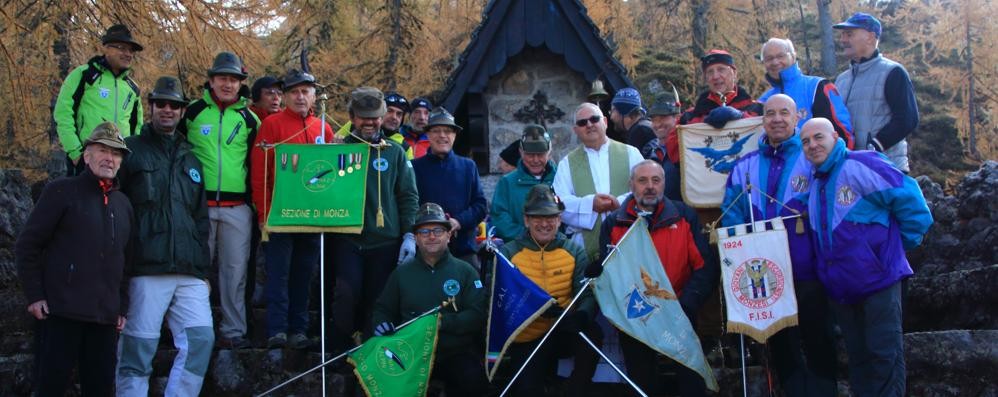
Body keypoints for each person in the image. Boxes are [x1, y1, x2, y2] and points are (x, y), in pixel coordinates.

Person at [800, 117, 932, 396]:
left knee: (885, 357)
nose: (812, 145)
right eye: (806, 141)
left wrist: (892, 250)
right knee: (858, 361)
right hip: (841, 289)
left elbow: (912, 202)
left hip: (879, 281)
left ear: (835, 137)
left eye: (818, 137)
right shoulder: (815, 182)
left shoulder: (861, 164)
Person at [721, 94, 838, 396]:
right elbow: (730, 215)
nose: (776, 119)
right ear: (762, 120)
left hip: (809, 270)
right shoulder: (743, 166)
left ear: (796, 117)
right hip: (766, 278)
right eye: (770, 113)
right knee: (782, 348)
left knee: (818, 340)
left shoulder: (813, 156)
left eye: (783, 113)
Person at [16, 122, 132, 396]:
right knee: (50, 388)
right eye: (102, 150)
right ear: (86, 155)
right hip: (60, 313)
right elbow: (27, 245)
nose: (109, 158)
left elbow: (128, 261)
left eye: (116, 153)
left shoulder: (124, 205)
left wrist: (121, 307)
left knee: (101, 390)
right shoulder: (61, 191)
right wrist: (34, 296)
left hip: (104, 319)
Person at [115, 76, 214, 396]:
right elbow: (114, 208)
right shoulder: (130, 150)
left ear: (183, 111)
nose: (167, 110)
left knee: (201, 341)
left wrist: (203, 270)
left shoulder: (192, 158)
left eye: (174, 105)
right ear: (151, 107)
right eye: (161, 104)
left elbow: (200, 219)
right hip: (146, 267)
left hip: (189, 270)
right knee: (137, 348)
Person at [589, 160, 718, 397]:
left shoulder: (683, 215)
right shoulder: (614, 222)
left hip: (679, 311)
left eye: (656, 180)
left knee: (692, 380)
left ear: (664, 184)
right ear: (631, 185)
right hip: (637, 315)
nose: (650, 186)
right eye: (642, 180)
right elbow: (612, 273)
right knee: (642, 383)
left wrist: (687, 304)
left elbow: (704, 267)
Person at [324, 86, 419, 352]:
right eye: (364, 117)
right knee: (346, 293)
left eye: (375, 116)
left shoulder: (395, 152)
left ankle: (370, 354)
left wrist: (409, 234)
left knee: (378, 302)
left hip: (385, 242)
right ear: (352, 117)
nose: (371, 122)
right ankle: (339, 350)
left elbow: (408, 196)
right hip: (347, 240)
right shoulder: (338, 150)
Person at [179, 51, 260, 349]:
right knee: (195, 270)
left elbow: (256, 163)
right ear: (211, 80)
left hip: (237, 207)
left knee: (235, 272)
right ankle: (191, 329)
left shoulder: (250, 119)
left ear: (240, 84)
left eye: (234, 80)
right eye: (222, 78)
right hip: (198, 206)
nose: (228, 84)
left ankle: (234, 331)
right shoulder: (192, 112)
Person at [250, 69, 333, 349]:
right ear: (285, 96)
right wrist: (264, 214)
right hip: (281, 215)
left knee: (303, 273)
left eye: (305, 91)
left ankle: (299, 329)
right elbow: (260, 173)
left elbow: (331, 175)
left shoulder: (323, 128)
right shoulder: (272, 125)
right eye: (294, 92)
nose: (300, 96)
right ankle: (277, 329)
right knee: (279, 273)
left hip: (313, 217)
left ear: (313, 95)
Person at [371, 203, 488, 396]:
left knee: (473, 380)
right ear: (416, 238)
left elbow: (477, 315)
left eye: (438, 230)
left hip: (455, 352)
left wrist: (441, 322)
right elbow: (383, 309)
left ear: (449, 235)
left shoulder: (466, 271)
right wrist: (381, 324)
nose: (431, 236)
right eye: (424, 231)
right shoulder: (401, 274)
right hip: (412, 353)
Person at [499, 185, 601, 396]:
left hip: (562, 328)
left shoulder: (573, 250)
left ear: (559, 219)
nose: (544, 223)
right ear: (526, 220)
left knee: (592, 334)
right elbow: (499, 300)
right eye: (537, 217)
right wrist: (531, 309)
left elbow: (586, 292)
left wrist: (582, 315)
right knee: (527, 390)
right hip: (526, 335)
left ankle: (574, 391)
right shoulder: (508, 253)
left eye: (551, 217)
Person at [552, 102, 644, 261]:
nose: (589, 125)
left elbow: (645, 190)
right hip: (585, 247)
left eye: (594, 119)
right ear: (576, 130)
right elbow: (557, 202)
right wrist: (590, 204)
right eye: (582, 123)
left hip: (628, 238)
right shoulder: (567, 164)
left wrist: (620, 203)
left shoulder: (631, 153)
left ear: (605, 122)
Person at [833, 12, 919, 173]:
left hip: (887, 168)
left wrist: (875, 146)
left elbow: (908, 119)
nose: (843, 40)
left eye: (849, 34)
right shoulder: (841, 80)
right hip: (851, 169)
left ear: (871, 38)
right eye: (843, 35)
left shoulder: (893, 72)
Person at [53, 24, 143, 176]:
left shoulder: (132, 88)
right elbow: (63, 114)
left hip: (119, 164)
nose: (128, 54)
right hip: (86, 160)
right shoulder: (84, 75)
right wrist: (76, 153)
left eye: (131, 50)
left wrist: (132, 158)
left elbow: (137, 128)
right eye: (122, 48)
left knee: (117, 200)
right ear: (106, 48)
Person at [411, 107, 487, 268]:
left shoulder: (468, 166)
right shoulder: (414, 168)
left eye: (448, 131)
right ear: (428, 135)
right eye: (436, 131)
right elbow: (409, 206)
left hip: (463, 250)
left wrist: (458, 221)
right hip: (426, 252)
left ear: (454, 135)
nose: (442, 136)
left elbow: (480, 206)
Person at [758, 38, 854, 149]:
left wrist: (838, 163)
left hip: (816, 163)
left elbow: (842, 131)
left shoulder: (818, 87)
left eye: (780, 56)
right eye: (769, 58)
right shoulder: (763, 100)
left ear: (793, 57)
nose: (775, 62)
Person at [491, 124, 556, 242]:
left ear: (549, 153)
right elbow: (499, 216)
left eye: (541, 154)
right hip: (519, 250)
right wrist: (527, 236)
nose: (535, 160)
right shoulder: (507, 182)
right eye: (530, 154)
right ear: (521, 152)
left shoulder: (560, 179)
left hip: (556, 248)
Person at [680, 49, 763, 127]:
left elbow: (770, 133)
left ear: (734, 73)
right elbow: (673, 140)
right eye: (710, 72)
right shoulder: (688, 117)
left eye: (721, 70)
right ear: (706, 78)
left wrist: (741, 116)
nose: (715, 76)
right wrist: (703, 123)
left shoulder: (758, 109)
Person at [641, 89, 684, 201]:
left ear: (677, 118)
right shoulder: (648, 151)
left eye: (663, 118)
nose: (658, 124)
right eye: (654, 119)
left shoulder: (684, 150)